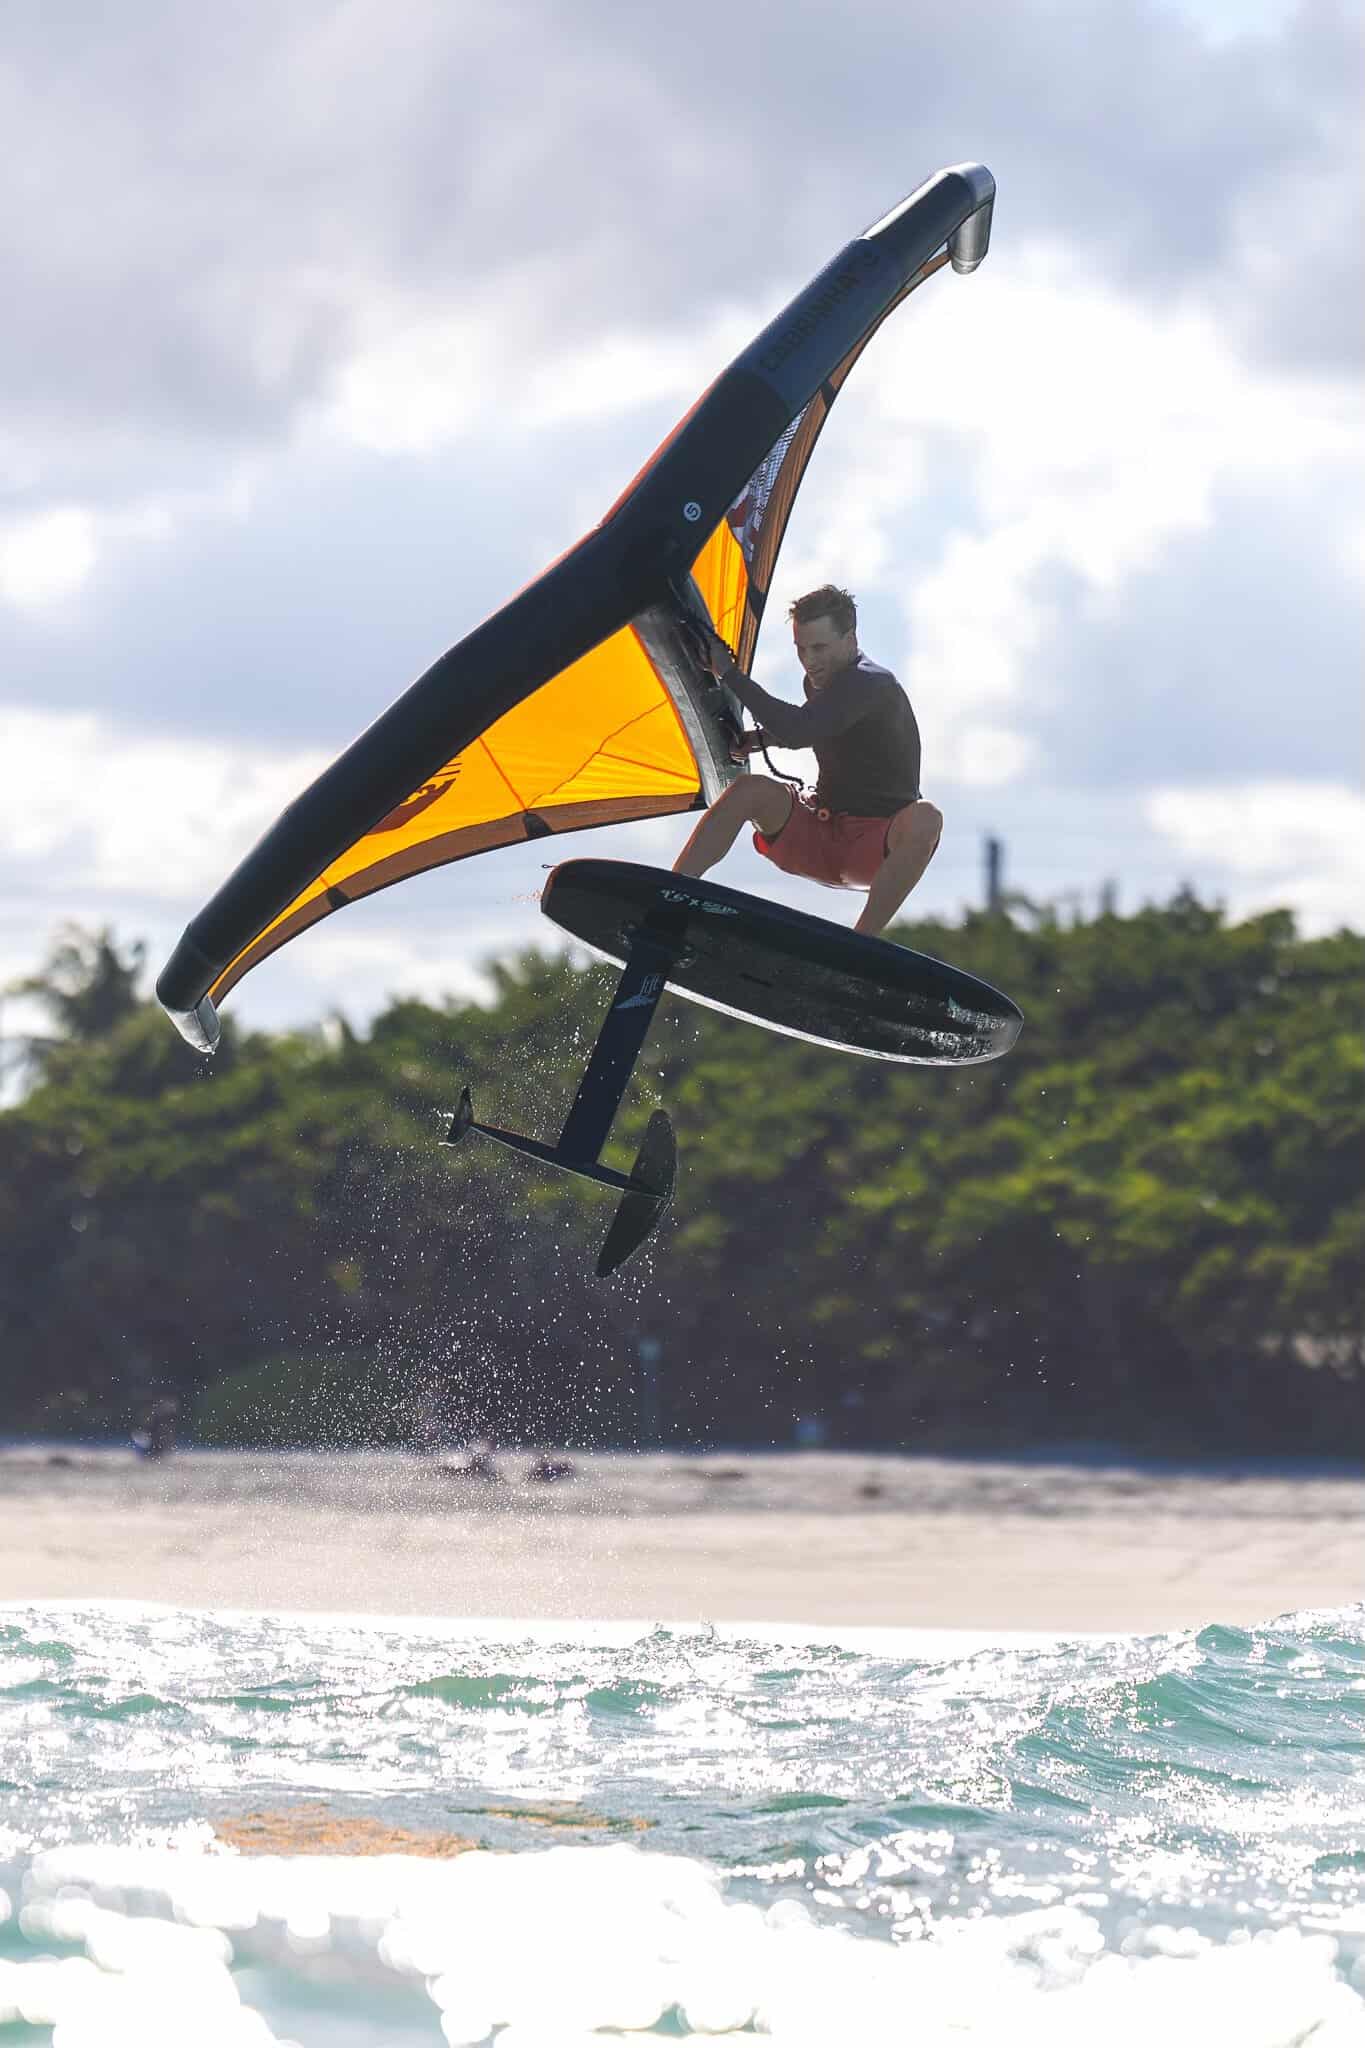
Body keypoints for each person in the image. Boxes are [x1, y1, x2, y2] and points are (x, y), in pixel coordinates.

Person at [672, 585, 942, 936]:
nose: (810, 661)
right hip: (820, 831)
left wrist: (728, 672)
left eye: (819, 648)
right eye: (801, 649)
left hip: (873, 846)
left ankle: (861, 943)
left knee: (926, 818)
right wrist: (762, 740)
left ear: (850, 639)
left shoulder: (872, 683)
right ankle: (672, 893)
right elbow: (823, 726)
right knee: (748, 791)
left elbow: (800, 730)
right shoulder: (818, 682)